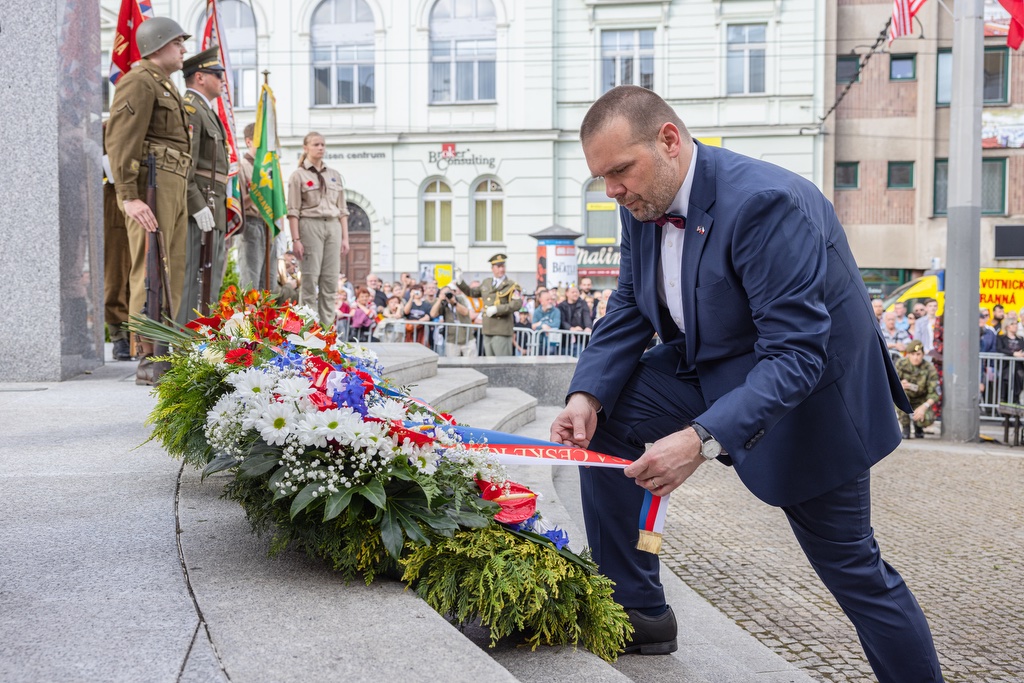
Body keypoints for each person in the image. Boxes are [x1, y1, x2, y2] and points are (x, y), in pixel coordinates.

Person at [549, 86, 941, 680]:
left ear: (670, 141)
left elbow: (797, 355)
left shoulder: (765, 202)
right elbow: (630, 305)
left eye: (621, 171)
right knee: (610, 416)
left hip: (809, 399)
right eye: (602, 177)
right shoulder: (643, 205)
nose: (612, 191)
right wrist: (586, 394)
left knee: (855, 573)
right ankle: (637, 612)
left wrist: (701, 439)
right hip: (712, 366)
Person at [105, 17, 192, 385]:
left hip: (171, 182)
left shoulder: (164, 84)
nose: (183, 49)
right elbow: (121, 141)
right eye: (178, 43)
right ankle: (148, 355)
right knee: (150, 267)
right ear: (158, 45)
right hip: (150, 187)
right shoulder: (139, 81)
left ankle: (164, 349)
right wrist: (129, 197)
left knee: (171, 267)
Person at [177, 47, 230, 327]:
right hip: (200, 204)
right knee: (192, 278)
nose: (222, 80)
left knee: (211, 278)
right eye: (217, 74)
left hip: (214, 204)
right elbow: (185, 164)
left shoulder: (205, 110)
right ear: (200, 77)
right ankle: (187, 344)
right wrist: (196, 204)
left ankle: (203, 340)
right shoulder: (191, 109)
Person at [287, 132, 350, 328]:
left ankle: (327, 330)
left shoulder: (334, 175)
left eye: (323, 144)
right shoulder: (298, 175)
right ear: (306, 148)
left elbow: (342, 210)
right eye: (316, 144)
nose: (321, 148)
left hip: (333, 226)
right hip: (310, 225)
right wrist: (296, 239)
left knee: (330, 282)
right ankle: (308, 330)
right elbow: (293, 211)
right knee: (309, 280)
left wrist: (345, 238)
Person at [102, 122, 133, 361]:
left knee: (138, 277)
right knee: (116, 278)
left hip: (136, 211)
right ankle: (119, 336)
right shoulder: (106, 129)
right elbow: (112, 170)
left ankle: (136, 337)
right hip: (115, 214)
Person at [455, 254, 522, 356]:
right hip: (487, 328)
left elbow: (517, 304)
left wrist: (497, 309)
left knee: (501, 363)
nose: (501, 269)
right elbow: (472, 292)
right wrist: (460, 281)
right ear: (492, 268)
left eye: (503, 266)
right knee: (489, 363)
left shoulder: (512, 285)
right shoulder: (487, 282)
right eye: (498, 266)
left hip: (502, 329)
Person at [237, 122, 277, 294]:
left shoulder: (270, 169)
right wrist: (256, 192)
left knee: (269, 281)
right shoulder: (241, 167)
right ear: (248, 142)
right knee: (250, 278)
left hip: (269, 223)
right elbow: (237, 204)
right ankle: (249, 318)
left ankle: (266, 318)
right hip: (251, 222)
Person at [895, 340, 940, 439]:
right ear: (908, 354)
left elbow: (934, 393)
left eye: (918, 354)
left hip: (921, 400)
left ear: (923, 354)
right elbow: (892, 385)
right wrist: (900, 386)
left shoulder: (929, 368)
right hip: (906, 398)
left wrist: (924, 407)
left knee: (929, 418)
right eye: (913, 354)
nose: (916, 357)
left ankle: (918, 427)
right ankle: (905, 427)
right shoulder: (901, 364)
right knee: (901, 399)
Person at [430, 286, 477, 357]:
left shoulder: (460, 299)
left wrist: (454, 303)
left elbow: (465, 312)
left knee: (470, 363)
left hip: (467, 337)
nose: (447, 295)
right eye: (444, 294)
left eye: (448, 292)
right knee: (452, 364)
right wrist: (439, 300)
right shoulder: (443, 303)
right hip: (451, 339)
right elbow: (432, 314)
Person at [557, 285, 593, 356]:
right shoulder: (561, 305)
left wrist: (588, 327)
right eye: (573, 292)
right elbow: (562, 320)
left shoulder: (583, 303)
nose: (575, 294)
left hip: (580, 337)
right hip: (565, 338)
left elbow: (586, 316)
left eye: (576, 292)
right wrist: (571, 328)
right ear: (567, 293)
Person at [996, 319, 1024, 403]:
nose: (1015, 326)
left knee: (1020, 377)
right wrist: (1013, 354)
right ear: (1007, 326)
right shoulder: (1001, 338)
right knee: (1007, 377)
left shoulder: (1021, 339)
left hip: (1019, 365)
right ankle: (1004, 399)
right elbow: (1000, 349)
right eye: (1013, 324)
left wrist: (1020, 354)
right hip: (1005, 365)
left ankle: (1016, 398)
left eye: (1016, 324)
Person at [531, 290, 562, 356]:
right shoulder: (537, 311)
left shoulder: (556, 311)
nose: (550, 301)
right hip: (539, 342)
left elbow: (556, 325)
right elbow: (533, 326)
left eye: (551, 299)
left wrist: (540, 324)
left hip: (552, 342)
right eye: (547, 300)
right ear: (541, 301)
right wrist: (543, 326)